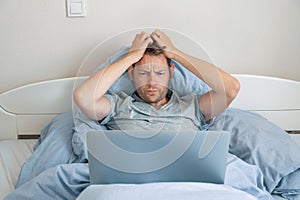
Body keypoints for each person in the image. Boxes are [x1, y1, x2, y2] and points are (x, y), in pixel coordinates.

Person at [73, 29, 240, 130]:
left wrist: (176, 54)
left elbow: (231, 88)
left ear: (171, 73)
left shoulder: (193, 106)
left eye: (160, 73)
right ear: (131, 73)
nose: (152, 82)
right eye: (144, 73)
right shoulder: (117, 105)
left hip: (186, 184)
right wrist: (131, 57)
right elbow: (83, 97)